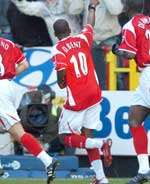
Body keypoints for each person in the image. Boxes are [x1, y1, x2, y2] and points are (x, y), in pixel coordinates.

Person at [51, 0, 112, 183]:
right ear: (69, 30)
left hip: (78, 99)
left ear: (55, 34)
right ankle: (102, 179)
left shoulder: (58, 48)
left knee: (65, 137)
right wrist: (92, 7)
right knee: (87, 136)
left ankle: (101, 143)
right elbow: (89, 24)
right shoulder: (82, 38)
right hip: (94, 94)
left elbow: (61, 72)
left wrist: (62, 83)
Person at [0, 37, 58, 184]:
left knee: (18, 132)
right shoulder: (8, 43)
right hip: (8, 86)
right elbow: (24, 65)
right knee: (15, 132)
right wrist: (10, 74)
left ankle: (47, 160)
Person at [112, 0, 150, 183]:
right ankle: (144, 170)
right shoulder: (148, 20)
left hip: (148, 73)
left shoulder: (130, 25)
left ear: (126, 8)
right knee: (134, 118)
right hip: (146, 76)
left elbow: (130, 53)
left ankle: (144, 170)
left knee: (135, 120)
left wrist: (117, 50)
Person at [83, 0, 123, 89]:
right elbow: (74, 10)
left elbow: (116, 10)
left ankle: (120, 99)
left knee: (117, 75)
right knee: (92, 76)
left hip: (109, 39)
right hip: (91, 40)